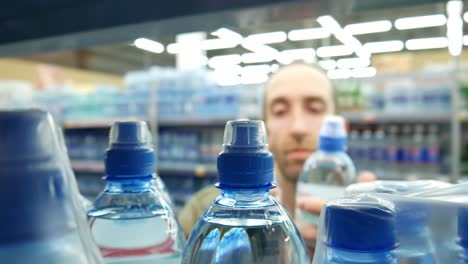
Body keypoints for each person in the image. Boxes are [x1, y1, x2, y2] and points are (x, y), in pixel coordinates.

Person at [178, 62, 375, 247]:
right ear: (264, 131)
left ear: (342, 129)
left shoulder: (366, 213)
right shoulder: (203, 212)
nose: (298, 128)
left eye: (314, 109)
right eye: (280, 111)